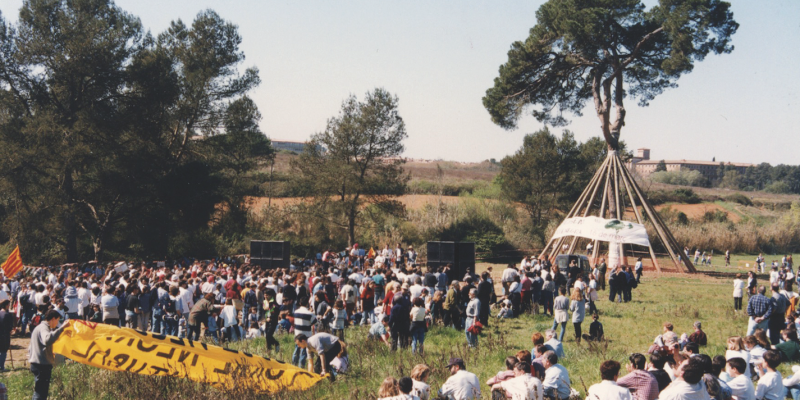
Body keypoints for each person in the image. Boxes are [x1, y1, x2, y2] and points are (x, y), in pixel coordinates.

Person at [28, 310, 67, 400]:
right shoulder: (44, 328)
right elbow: (47, 340)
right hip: (42, 365)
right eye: (57, 320)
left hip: (36, 363)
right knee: (41, 393)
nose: (57, 323)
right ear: (53, 319)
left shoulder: (39, 327)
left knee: (39, 391)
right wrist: (61, 328)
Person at [0, 301, 14, 372]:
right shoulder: (7, 315)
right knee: (3, 351)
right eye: (8, 304)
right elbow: (9, 327)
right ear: (6, 305)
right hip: (4, 335)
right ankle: (1, 367)